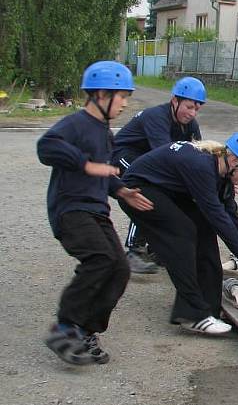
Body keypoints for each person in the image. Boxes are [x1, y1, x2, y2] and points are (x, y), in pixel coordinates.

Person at [37, 60, 153, 365]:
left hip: (96, 211)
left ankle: (87, 329)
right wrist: (84, 164)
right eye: (122, 96)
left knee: (120, 268)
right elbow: (46, 147)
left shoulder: (104, 132)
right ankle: (64, 327)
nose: (125, 104)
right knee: (100, 259)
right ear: (101, 94)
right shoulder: (75, 124)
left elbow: (104, 172)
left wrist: (120, 189)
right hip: (71, 209)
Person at [119, 132, 238, 335]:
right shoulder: (201, 166)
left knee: (204, 229)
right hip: (138, 191)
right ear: (234, 160)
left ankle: (210, 309)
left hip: (166, 191)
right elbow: (217, 216)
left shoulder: (221, 174)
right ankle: (193, 315)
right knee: (182, 233)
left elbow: (232, 218)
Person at [112, 76, 206, 274]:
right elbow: (167, 156)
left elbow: (199, 155)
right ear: (175, 101)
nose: (192, 113)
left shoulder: (191, 125)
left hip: (149, 160)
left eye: (197, 109)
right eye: (188, 107)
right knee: (147, 190)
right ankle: (134, 250)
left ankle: (157, 248)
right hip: (123, 155)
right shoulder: (156, 117)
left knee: (171, 194)